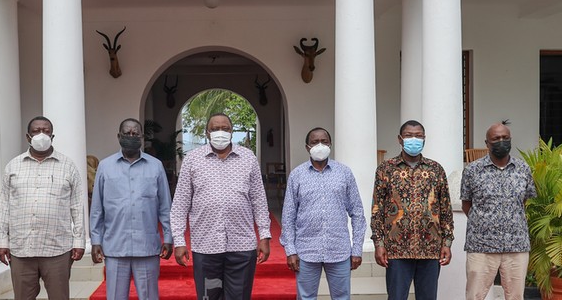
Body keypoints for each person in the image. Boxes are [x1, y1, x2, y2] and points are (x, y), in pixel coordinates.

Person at [170, 113, 271, 300]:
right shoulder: (193, 159)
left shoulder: (248, 158)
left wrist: (264, 235)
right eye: (215, 129)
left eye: (225, 128)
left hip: (242, 245)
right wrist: (179, 241)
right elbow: (180, 204)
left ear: (232, 132)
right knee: (209, 296)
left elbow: (258, 199)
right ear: (207, 133)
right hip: (206, 246)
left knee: (239, 296)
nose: (220, 132)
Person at [0, 116, 86, 300]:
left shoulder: (68, 166)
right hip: (21, 248)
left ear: (52, 136)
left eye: (46, 131)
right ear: (28, 137)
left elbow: (77, 206)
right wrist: (2, 241)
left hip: (57, 248)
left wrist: (79, 241)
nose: (41, 135)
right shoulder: (13, 166)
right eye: (37, 131)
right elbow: (4, 205)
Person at [89, 118, 173, 300]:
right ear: (119, 136)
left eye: (135, 134)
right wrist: (96, 239)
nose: (131, 136)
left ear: (142, 137)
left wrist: (168, 236)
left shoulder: (156, 166)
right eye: (127, 133)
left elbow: (165, 207)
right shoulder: (105, 166)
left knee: (149, 296)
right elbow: (97, 209)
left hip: (147, 247)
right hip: (115, 246)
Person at [371, 120, 454, 300]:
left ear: (424, 139)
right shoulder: (386, 169)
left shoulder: (436, 169)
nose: (414, 139)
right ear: (400, 139)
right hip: (396, 248)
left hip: (430, 248)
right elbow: (377, 209)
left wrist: (447, 242)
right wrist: (379, 243)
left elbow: (445, 208)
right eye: (409, 136)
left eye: (418, 136)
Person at [280, 127, 366, 300]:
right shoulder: (297, 175)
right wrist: (290, 250)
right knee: (306, 297)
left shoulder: (344, 173)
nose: (320, 145)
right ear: (307, 147)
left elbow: (357, 212)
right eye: (315, 142)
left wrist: (356, 249)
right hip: (306, 251)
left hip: (339, 250)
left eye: (324, 141)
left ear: (330, 145)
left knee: (342, 297)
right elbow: (288, 216)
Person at [461, 122, 536, 300]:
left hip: (516, 245)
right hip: (481, 245)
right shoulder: (472, 170)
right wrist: (484, 223)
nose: (501, 141)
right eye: (496, 138)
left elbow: (524, 200)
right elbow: (466, 203)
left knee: (516, 296)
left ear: (510, 140)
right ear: (487, 143)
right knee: (474, 295)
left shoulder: (523, 169)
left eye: (505, 138)